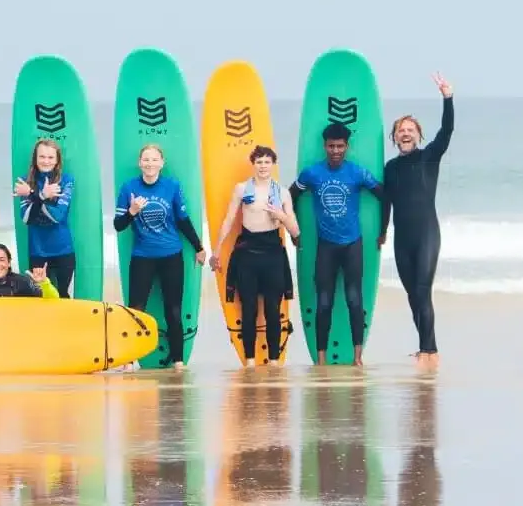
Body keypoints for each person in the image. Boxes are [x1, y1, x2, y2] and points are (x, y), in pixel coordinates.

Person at [289, 122, 387, 366]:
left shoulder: (357, 173)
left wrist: (383, 230)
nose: (335, 151)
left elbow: (384, 196)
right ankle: (321, 360)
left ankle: (357, 358)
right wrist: (293, 229)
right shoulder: (311, 173)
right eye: (331, 146)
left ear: (347, 147)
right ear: (324, 146)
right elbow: (290, 196)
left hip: (353, 245)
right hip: (326, 247)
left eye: (340, 146)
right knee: (324, 302)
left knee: (355, 300)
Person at [380, 72, 454, 362]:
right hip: (402, 239)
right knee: (413, 295)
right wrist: (383, 231)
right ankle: (427, 346)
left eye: (410, 129)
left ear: (418, 135)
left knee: (423, 290)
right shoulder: (390, 168)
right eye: (401, 130)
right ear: (395, 137)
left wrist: (447, 98)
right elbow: (386, 201)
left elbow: (446, 131)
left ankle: (428, 350)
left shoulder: (429, 157)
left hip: (426, 235)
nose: (406, 133)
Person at [113, 143, 207, 370]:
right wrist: (132, 211)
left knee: (173, 309)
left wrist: (199, 247)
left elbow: (183, 220)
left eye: (154, 160)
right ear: (140, 163)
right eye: (146, 160)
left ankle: (178, 361)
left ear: (161, 163)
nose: (150, 164)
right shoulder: (129, 188)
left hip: (171, 255)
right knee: (136, 308)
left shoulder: (172, 186)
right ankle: (130, 359)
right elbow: (118, 225)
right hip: (142, 256)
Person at [209, 145, 299, 367]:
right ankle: (249, 361)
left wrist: (281, 216)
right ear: (254, 164)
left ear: (273, 164)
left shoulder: (282, 192)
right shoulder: (242, 189)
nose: (263, 166)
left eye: (267, 162)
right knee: (248, 308)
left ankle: (275, 361)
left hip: (273, 255)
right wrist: (217, 251)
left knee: (272, 309)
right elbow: (229, 220)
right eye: (259, 162)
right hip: (248, 254)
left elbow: (296, 231)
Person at [13, 138, 76, 297]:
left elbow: (57, 216)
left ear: (57, 161)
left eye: (50, 157)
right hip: (38, 250)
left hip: (63, 249)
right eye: (42, 157)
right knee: (40, 298)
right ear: (35, 159)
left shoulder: (66, 180)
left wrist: (32, 195)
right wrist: (41, 196)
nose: (46, 161)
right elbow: (27, 218)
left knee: (63, 296)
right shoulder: (25, 182)